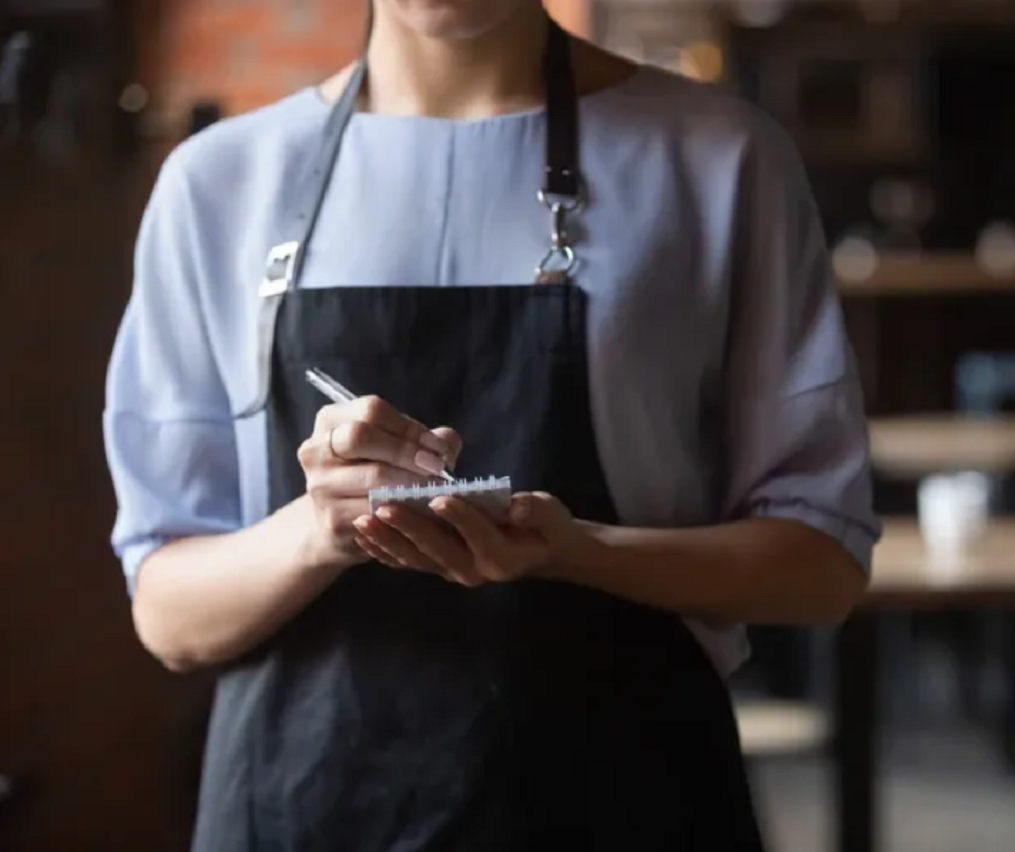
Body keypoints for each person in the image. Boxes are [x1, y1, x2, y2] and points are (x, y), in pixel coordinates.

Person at [102, 1, 880, 849]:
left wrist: (582, 552)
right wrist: (317, 531)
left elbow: (821, 567)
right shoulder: (219, 182)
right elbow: (170, 618)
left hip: (627, 800)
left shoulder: (720, 159)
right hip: (305, 808)